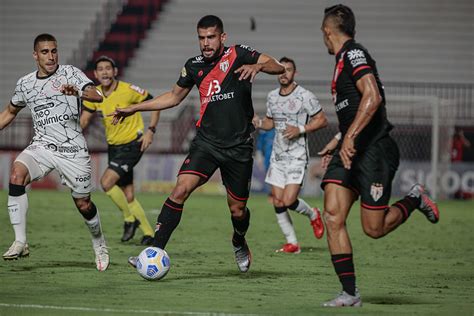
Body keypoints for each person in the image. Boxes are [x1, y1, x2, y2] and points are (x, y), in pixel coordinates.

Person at [110, 15, 284, 273]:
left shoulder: (239, 53)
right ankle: (154, 249)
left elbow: (277, 65)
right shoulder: (193, 66)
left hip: (239, 147)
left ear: (222, 37)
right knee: (180, 189)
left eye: (211, 37)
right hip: (206, 143)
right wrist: (134, 108)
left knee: (238, 210)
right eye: (201, 38)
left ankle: (238, 239)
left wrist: (258, 67)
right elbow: (173, 97)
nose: (206, 43)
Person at [318, 5, 440, 307]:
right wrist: (338, 139)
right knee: (332, 215)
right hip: (350, 149)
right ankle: (350, 293)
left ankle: (414, 199)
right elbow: (355, 109)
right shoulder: (341, 59)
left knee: (374, 228)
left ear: (327, 31)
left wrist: (349, 137)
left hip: (373, 150)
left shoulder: (353, 54)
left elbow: (372, 97)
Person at [0, 33, 109, 271]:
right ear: (35, 55)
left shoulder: (70, 73)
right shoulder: (25, 83)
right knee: (17, 174)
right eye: (45, 52)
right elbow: (10, 112)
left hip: (73, 150)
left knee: (83, 204)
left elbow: (98, 95)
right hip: (42, 146)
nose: (51, 56)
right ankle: (20, 241)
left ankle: (99, 242)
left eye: (54, 51)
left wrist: (79, 91)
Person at [81, 56, 160, 245]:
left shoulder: (128, 90)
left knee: (106, 183)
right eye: (100, 69)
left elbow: (156, 103)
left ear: (115, 71)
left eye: (108, 68)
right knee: (128, 194)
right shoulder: (95, 94)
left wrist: (151, 131)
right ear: (95, 74)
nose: (105, 72)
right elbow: (84, 120)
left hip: (133, 144)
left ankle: (129, 219)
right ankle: (149, 233)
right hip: (114, 146)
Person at [253, 56, 327, 254]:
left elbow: (322, 120)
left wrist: (300, 129)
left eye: (288, 70)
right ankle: (292, 243)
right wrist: (259, 123)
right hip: (277, 157)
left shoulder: (305, 96)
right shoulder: (272, 97)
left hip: (297, 156)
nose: (284, 73)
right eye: (281, 69)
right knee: (277, 201)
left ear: (295, 73)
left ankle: (312, 214)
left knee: (288, 200)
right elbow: (270, 123)